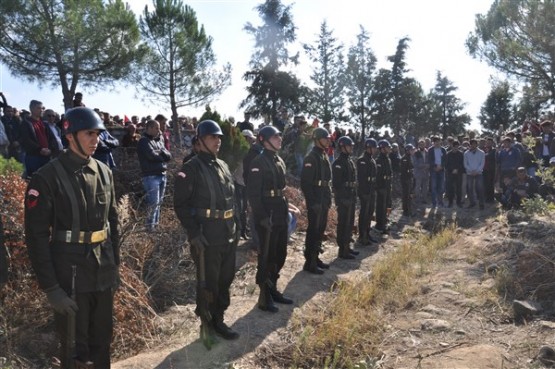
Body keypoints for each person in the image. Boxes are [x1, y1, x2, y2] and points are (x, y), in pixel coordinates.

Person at [24, 107, 120, 368]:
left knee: (102, 341)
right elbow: (36, 237)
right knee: (76, 350)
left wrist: (115, 268)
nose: (95, 139)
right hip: (71, 276)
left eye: (98, 134)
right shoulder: (46, 178)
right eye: (89, 133)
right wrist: (51, 288)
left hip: (103, 269)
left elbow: (112, 223)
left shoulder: (104, 172)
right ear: (69, 135)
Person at [174, 120, 239, 348]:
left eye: (219, 137)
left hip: (228, 231)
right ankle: (207, 324)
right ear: (199, 141)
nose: (218, 141)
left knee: (225, 279)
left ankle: (219, 319)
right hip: (206, 235)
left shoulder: (222, 165)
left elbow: (232, 197)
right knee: (208, 282)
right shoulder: (190, 168)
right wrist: (193, 233)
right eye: (213, 137)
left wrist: (237, 225)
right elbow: (180, 205)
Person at [247, 126, 293, 313]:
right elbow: (253, 194)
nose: (279, 139)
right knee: (266, 254)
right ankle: (264, 296)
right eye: (275, 137)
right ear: (263, 140)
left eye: (280, 136)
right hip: (267, 213)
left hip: (280, 210)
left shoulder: (278, 160)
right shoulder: (258, 162)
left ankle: (273, 288)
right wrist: (262, 217)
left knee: (280, 253)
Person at [300, 127, 332, 274]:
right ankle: (310, 262)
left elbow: (326, 180)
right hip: (315, 198)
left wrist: (327, 199)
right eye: (325, 138)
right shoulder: (311, 157)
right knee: (313, 230)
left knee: (320, 230)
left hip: (323, 197)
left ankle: (316, 257)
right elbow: (306, 183)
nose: (328, 140)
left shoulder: (323, 155)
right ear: (318, 139)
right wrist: (312, 203)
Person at [137, 119, 172, 231]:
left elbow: (168, 156)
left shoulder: (158, 140)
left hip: (162, 174)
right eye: (157, 128)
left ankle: (154, 228)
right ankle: (149, 229)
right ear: (150, 128)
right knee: (153, 204)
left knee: (158, 204)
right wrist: (161, 155)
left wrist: (160, 152)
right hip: (151, 176)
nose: (159, 130)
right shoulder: (143, 141)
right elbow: (151, 156)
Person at [332, 136, 359, 259]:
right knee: (343, 223)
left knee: (349, 223)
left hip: (350, 196)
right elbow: (337, 184)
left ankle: (347, 246)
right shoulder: (338, 163)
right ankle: (342, 249)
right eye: (349, 146)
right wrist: (343, 199)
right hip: (343, 198)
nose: (351, 147)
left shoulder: (349, 161)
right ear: (342, 147)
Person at [20, 100, 59, 178]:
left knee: (48, 179)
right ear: (32, 109)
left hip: (46, 157)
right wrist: (40, 149)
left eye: (42, 108)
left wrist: (50, 150)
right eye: (39, 108)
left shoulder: (44, 123)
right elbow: (26, 140)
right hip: (33, 157)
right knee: (35, 181)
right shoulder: (26, 123)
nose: (42, 110)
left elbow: (51, 139)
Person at [356, 138, 379, 245]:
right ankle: (362, 235)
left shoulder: (372, 160)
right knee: (364, 214)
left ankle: (367, 233)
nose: (375, 150)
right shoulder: (362, 160)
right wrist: (363, 192)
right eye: (373, 148)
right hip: (365, 191)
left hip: (371, 190)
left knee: (370, 213)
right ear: (368, 147)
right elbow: (361, 178)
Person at [375, 139, 393, 234]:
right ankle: (379, 225)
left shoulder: (388, 159)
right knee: (380, 206)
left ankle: (384, 222)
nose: (389, 149)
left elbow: (390, 173)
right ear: (382, 149)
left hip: (387, 185)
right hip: (381, 186)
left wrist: (389, 184)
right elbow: (378, 176)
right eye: (387, 147)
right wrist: (379, 187)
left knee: (386, 205)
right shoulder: (378, 160)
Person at [464, 138, 486, 209]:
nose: (473, 145)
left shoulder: (482, 153)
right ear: (470, 145)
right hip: (470, 173)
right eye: (472, 144)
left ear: (477, 144)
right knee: (469, 188)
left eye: (475, 144)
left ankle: (481, 203)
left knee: (480, 188)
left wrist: (477, 171)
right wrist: (471, 171)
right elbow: (465, 164)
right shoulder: (466, 153)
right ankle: (472, 202)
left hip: (479, 173)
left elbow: (482, 163)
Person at [427, 136, 447, 208]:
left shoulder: (443, 150)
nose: (437, 143)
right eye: (436, 141)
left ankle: (440, 202)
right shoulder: (430, 150)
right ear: (433, 142)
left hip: (441, 170)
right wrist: (435, 166)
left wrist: (441, 166)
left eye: (439, 141)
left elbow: (445, 160)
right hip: (433, 170)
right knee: (433, 186)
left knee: (441, 187)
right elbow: (429, 159)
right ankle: (434, 203)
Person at [445, 140, 465, 208]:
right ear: (452, 146)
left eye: (457, 147)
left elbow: (462, 164)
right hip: (450, 173)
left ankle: (458, 202)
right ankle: (450, 202)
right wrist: (452, 170)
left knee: (459, 188)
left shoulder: (461, 154)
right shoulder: (448, 154)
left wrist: (457, 169)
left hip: (459, 173)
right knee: (450, 188)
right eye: (454, 147)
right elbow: (446, 165)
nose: (456, 148)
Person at [400, 143, 415, 216]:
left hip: (409, 179)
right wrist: (406, 180)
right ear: (407, 150)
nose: (413, 151)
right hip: (405, 179)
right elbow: (404, 171)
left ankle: (409, 210)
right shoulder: (405, 158)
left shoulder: (409, 157)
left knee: (409, 195)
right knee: (406, 195)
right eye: (411, 150)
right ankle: (406, 211)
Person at [413, 139, 429, 204]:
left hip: (426, 173)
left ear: (425, 144)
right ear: (419, 145)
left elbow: (430, 161)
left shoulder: (428, 152)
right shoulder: (416, 153)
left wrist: (428, 165)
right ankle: (417, 200)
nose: (422, 145)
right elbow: (415, 163)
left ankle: (424, 199)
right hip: (418, 173)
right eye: (420, 144)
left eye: (423, 144)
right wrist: (424, 166)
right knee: (418, 187)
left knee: (425, 187)